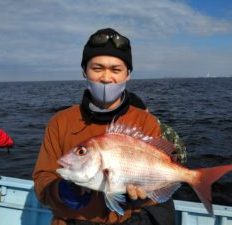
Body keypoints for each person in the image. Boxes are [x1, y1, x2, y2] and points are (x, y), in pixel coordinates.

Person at [33, 28, 186, 225]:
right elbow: (42, 181)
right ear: (84, 71)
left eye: (116, 69)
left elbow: (155, 187)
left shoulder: (145, 121)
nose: (106, 78)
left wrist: (140, 196)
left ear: (127, 74)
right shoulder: (60, 121)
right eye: (97, 68)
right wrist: (62, 191)